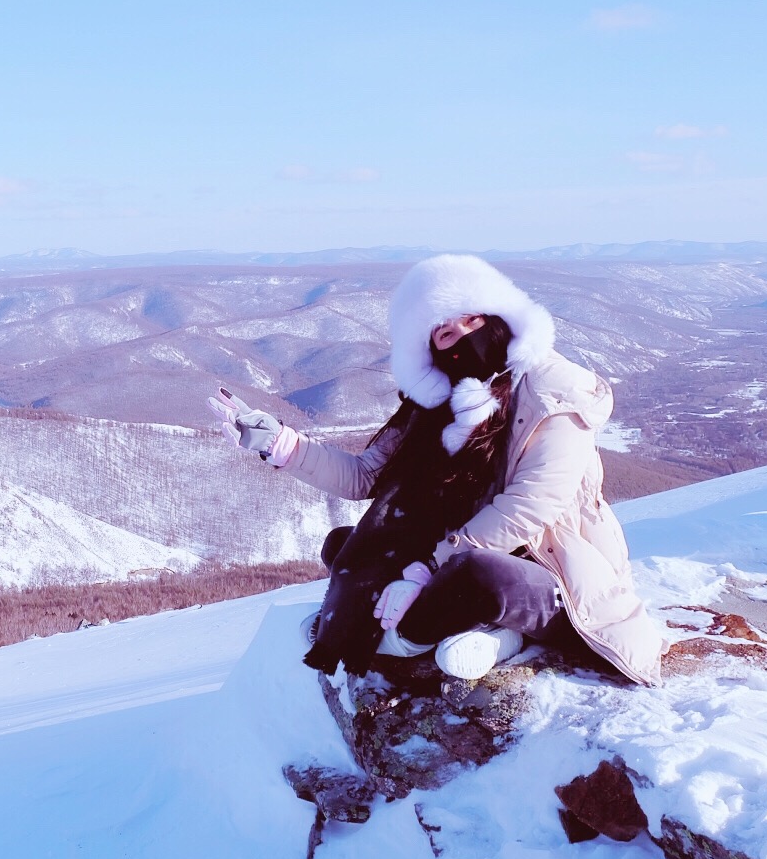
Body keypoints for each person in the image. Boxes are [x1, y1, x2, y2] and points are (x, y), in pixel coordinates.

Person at [209, 254, 662, 685]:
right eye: (445, 333)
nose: (463, 334)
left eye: (472, 319)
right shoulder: (431, 407)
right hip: (449, 553)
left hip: (544, 566)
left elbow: (529, 507)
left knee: (476, 575)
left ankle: (433, 639)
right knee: (347, 547)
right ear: (431, 351)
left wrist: (425, 570)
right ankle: (465, 626)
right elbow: (365, 477)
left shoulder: (553, 390)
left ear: (496, 314)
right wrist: (280, 444)